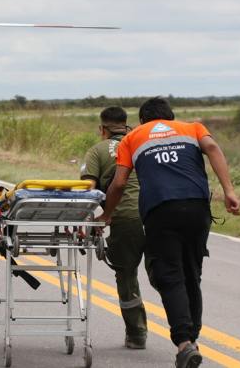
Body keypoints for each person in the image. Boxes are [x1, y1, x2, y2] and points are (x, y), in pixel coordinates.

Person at [100, 97, 240, 368]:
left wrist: (106, 214)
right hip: (198, 208)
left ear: (142, 120)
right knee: (191, 274)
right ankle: (192, 340)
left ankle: (185, 342)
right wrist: (229, 191)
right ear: (171, 117)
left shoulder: (132, 138)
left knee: (169, 274)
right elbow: (213, 147)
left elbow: (119, 183)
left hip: (161, 210)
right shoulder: (193, 128)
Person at [80, 106, 147, 349]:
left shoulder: (98, 151)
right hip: (158, 214)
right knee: (167, 276)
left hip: (126, 217)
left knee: (126, 274)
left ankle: (137, 335)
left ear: (102, 129)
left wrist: (88, 220)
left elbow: (88, 189)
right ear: (126, 125)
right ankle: (186, 337)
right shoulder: (142, 143)